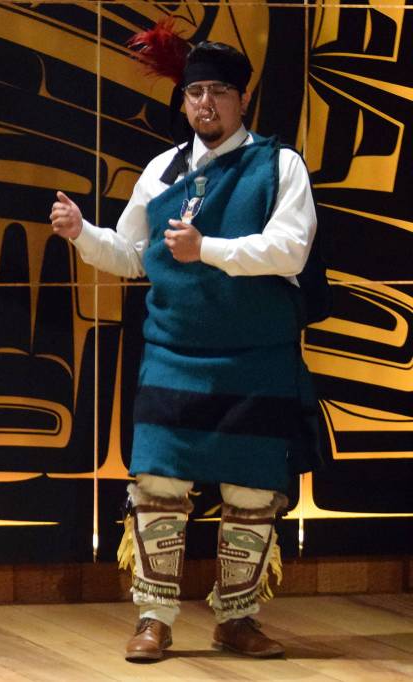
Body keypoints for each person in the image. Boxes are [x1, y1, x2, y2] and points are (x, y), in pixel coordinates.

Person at [51, 40, 319, 661]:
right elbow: (129, 254)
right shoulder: (163, 170)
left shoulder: (279, 166)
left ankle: (238, 619)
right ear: (184, 99)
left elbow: (290, 251)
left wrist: (211, 250)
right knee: (158, 484)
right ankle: (154, 618)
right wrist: (83, 234)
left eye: (219, 92)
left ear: (243, 97)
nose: (206, 104)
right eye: (195, 92)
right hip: (175, 352)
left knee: (253, 490)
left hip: (255, 354)